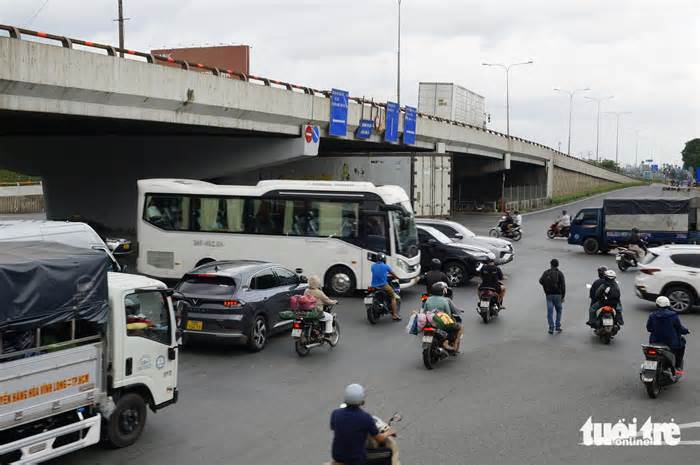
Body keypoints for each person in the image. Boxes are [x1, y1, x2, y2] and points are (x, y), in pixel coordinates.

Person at [330, 384, 395, 465]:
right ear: (361, 400)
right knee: (388, 452)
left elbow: (334, 428)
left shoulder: (335, 413)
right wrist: (388, 432)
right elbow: (380, 439)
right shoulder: (365, 417)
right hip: (356, 460)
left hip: (337, 456)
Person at [647, 296, 690, 374]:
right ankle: (677, 366)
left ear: (657, 305)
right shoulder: (673, 315)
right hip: (670, 343)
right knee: (682, 344)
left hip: (654, 342)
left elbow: (649, 328)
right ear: (668, 305)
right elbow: (679, 328)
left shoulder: (652, 315)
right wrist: (686, 331)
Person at [423, 282, 464, 352]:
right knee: (460, 328)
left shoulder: (428, 299)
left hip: (430, 322)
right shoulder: (445, 300)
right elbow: (448, 314)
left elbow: (424, 312)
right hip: (442, 323)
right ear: (442, 291)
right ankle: (455, 346)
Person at [539, 258, 566, 334]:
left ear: (551, 264)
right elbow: (563, 286)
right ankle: (558, 326)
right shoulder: (560, 273)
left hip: (549, 295)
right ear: (557, 265)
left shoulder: (546, 273)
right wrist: (563, 296)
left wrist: (546, 287)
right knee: (559, 310)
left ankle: (551, 328)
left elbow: (540, 281)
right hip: (558, 295)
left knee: (550, 312)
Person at [370, 253, 400, 321]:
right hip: (383, 285)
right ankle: (395, 315)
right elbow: (393, 274)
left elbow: (377, 273)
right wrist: (397, 277)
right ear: (384, 259)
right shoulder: (386, 266)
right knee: (393, 296)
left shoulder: (372, 266)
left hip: (374, 285)